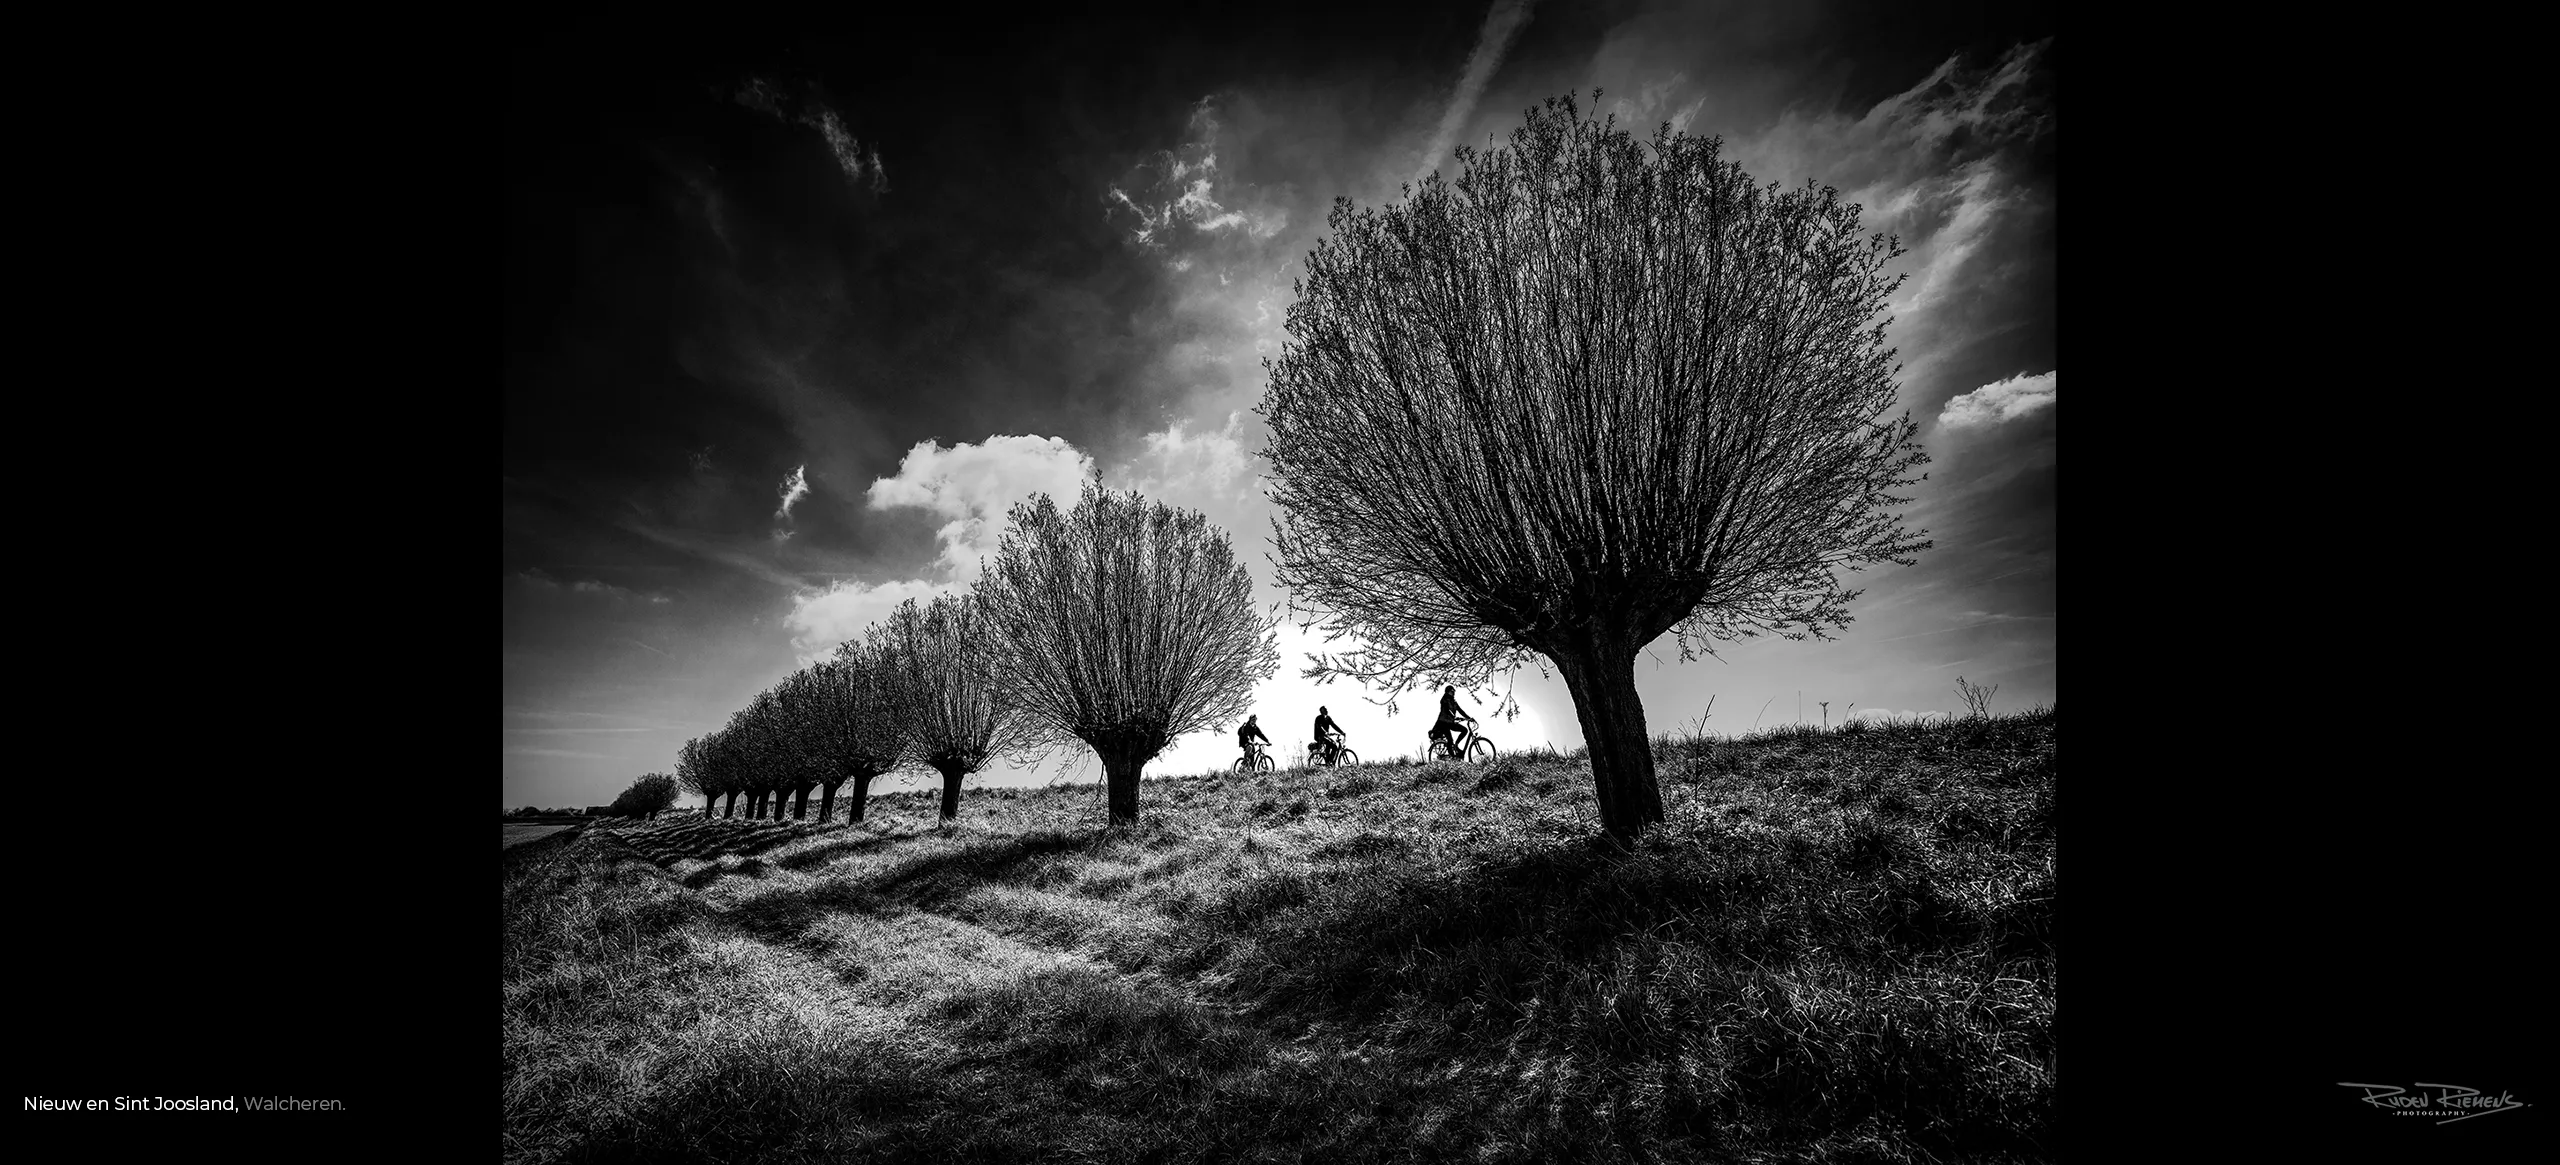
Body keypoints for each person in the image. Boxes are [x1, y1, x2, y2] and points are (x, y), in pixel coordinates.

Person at [1428, 685, 1477, 757]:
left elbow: (1460, 710)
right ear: (1447, 692)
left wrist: (1469, 718)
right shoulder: (1444, 700)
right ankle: (1452, 757)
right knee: (1450, 740)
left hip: (1450, 722)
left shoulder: (1454, 701)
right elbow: (1447, 710)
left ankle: (1456, 745)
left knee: (1465, 730)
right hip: (1443, 723)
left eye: (1454, 691)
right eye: (1452, 691)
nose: (1453, 693)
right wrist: (1454, 717)